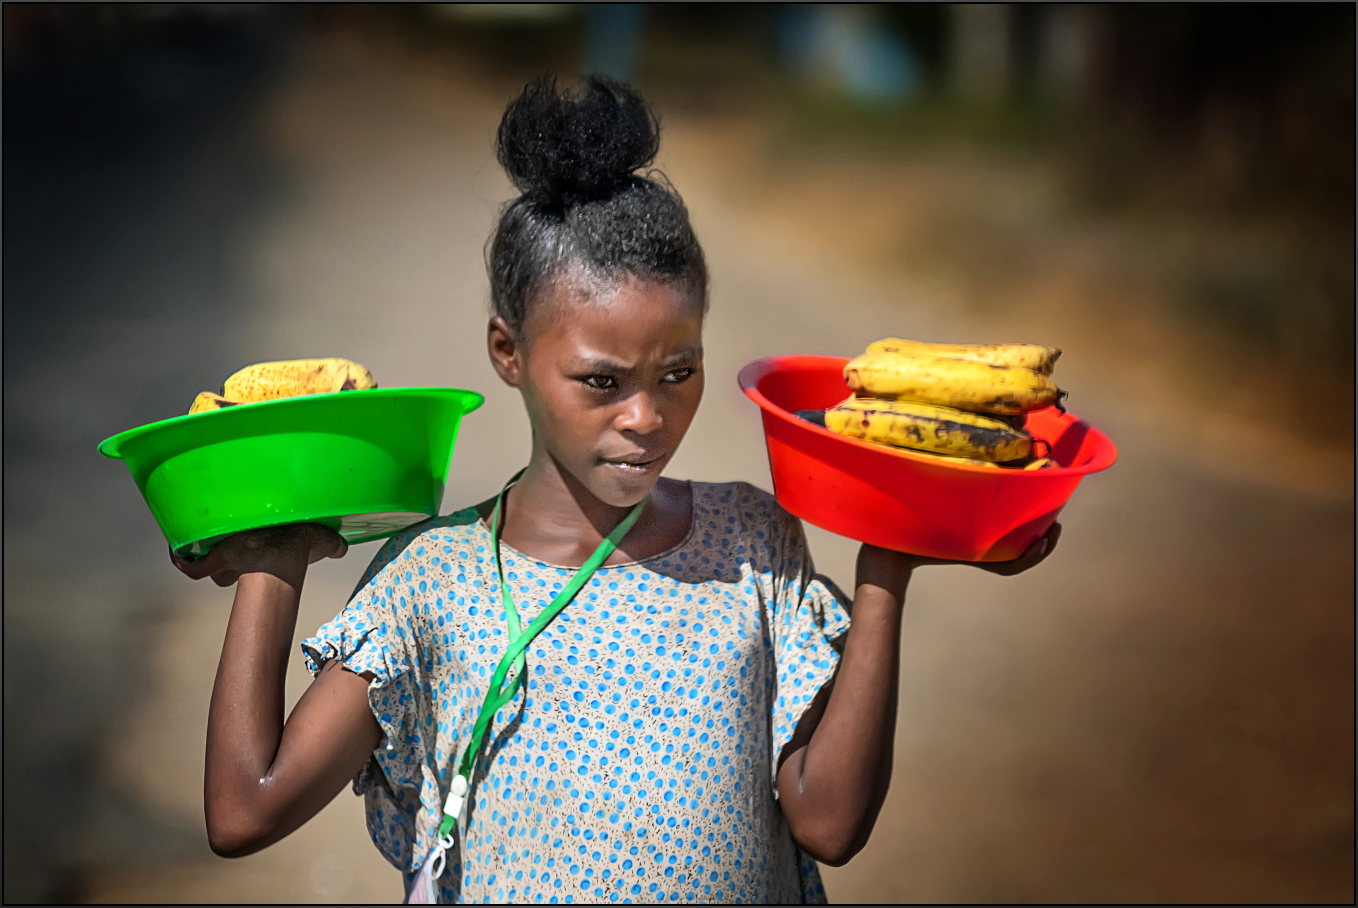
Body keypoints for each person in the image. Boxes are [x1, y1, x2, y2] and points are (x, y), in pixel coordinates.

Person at [173, 75, 1058, 904]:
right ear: (507, 353)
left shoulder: (752, 543)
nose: (647, 417)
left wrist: (887, 567)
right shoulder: (430, 584)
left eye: (679, 372)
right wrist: (276, 559)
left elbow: (827, 823)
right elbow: (245, 811)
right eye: (602, 382)